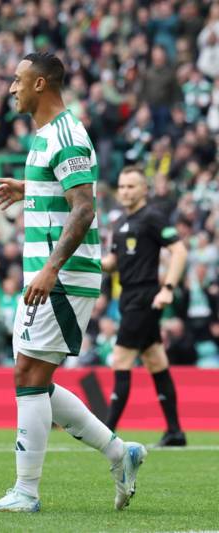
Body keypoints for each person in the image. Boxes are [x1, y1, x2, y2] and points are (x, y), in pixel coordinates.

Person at [0, 53, 146, 513]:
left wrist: (52, 268)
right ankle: (121, 453)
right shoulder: (44, 137)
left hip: (63, 276)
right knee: (36, 379)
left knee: (28, 376)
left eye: (17, 80)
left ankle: (26, 493)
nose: (10, 88)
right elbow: (64, 194)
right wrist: (28, 189)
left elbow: (84, 208)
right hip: (49, 275)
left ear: (39, 84)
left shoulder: (68, 136)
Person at [102, 166, 188, 446]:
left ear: (144, 190)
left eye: (131, 186)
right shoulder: (120, 223)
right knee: (155, 361)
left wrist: (168, 289)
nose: (125, 191)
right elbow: (112, 264)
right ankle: (175, 431)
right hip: (128, 297)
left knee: (121, 358)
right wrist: (82, 261)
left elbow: (179, 250)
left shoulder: (152, 217)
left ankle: (105, 434)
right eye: (122, 186)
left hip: (145, 296)